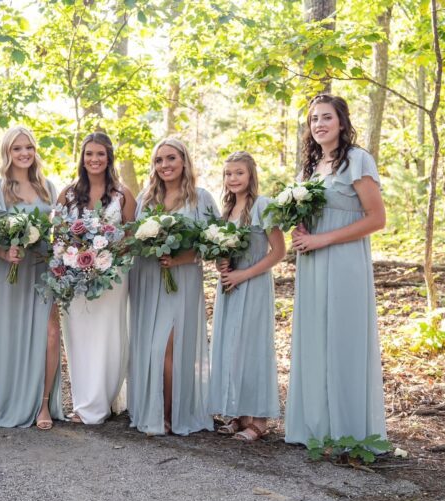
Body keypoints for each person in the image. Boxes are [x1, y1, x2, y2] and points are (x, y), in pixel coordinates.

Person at [286, 94, 387, 445]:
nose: (319, 125)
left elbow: (377, 219)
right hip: (312, 263)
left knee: (343, 339)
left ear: (342, 123)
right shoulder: (309, 169)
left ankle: (348, 429)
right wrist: (300, 231)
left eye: (326, 118)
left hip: (345, 263)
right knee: (315, 338)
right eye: (314, 119)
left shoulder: (358, 161)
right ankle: (315, 425)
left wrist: (324, 239)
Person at [0, 126, 63, 429]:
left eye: (29, 148)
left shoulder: (49, 187)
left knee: (49, 333)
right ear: (7, 153)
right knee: (7, 335)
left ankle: (43, 404)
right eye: (17, 149)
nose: (24, 154)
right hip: (4, 274)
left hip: (42, 269)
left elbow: (59, 230)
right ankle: (6, 398)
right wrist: (4, 253)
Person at [128, 138, 218, 436]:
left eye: (170, 158)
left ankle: (171, 414)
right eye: (159, 160)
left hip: (182, 280)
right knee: (151, 348)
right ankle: (152, 409)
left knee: (169, 348)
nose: (164, 165)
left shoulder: (201, 198)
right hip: (149, 278)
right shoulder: (146, 198)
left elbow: (215, 242)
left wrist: (184, 257)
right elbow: (134, 240)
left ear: (183, 161)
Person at [58, 132, 136, 424]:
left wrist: (107, 256)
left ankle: (101, 402)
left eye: (100, 154)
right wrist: (75, 256)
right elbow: (59, 234)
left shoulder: (123, 194)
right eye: (89, 153)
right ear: (82, 157)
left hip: (112, 276)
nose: (94, 159)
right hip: (75, 277)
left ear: (109, 157)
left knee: (107, 335)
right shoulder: (67, 193)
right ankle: (84, 402)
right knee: (79, 336)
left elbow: (131, 236)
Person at [209, 151, 285, 441]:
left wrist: (243, 274)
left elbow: (279, 252)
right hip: (229, 286)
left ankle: (259, 420)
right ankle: (237, 415)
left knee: (252, 347)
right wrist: (223, 264)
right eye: (228, 173)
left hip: (253, 284)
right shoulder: (226, 211)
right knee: (230, 347)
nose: (233, 179)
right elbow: (220, 252)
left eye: (239, 173)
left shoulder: (263, 205)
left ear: (251, 175)